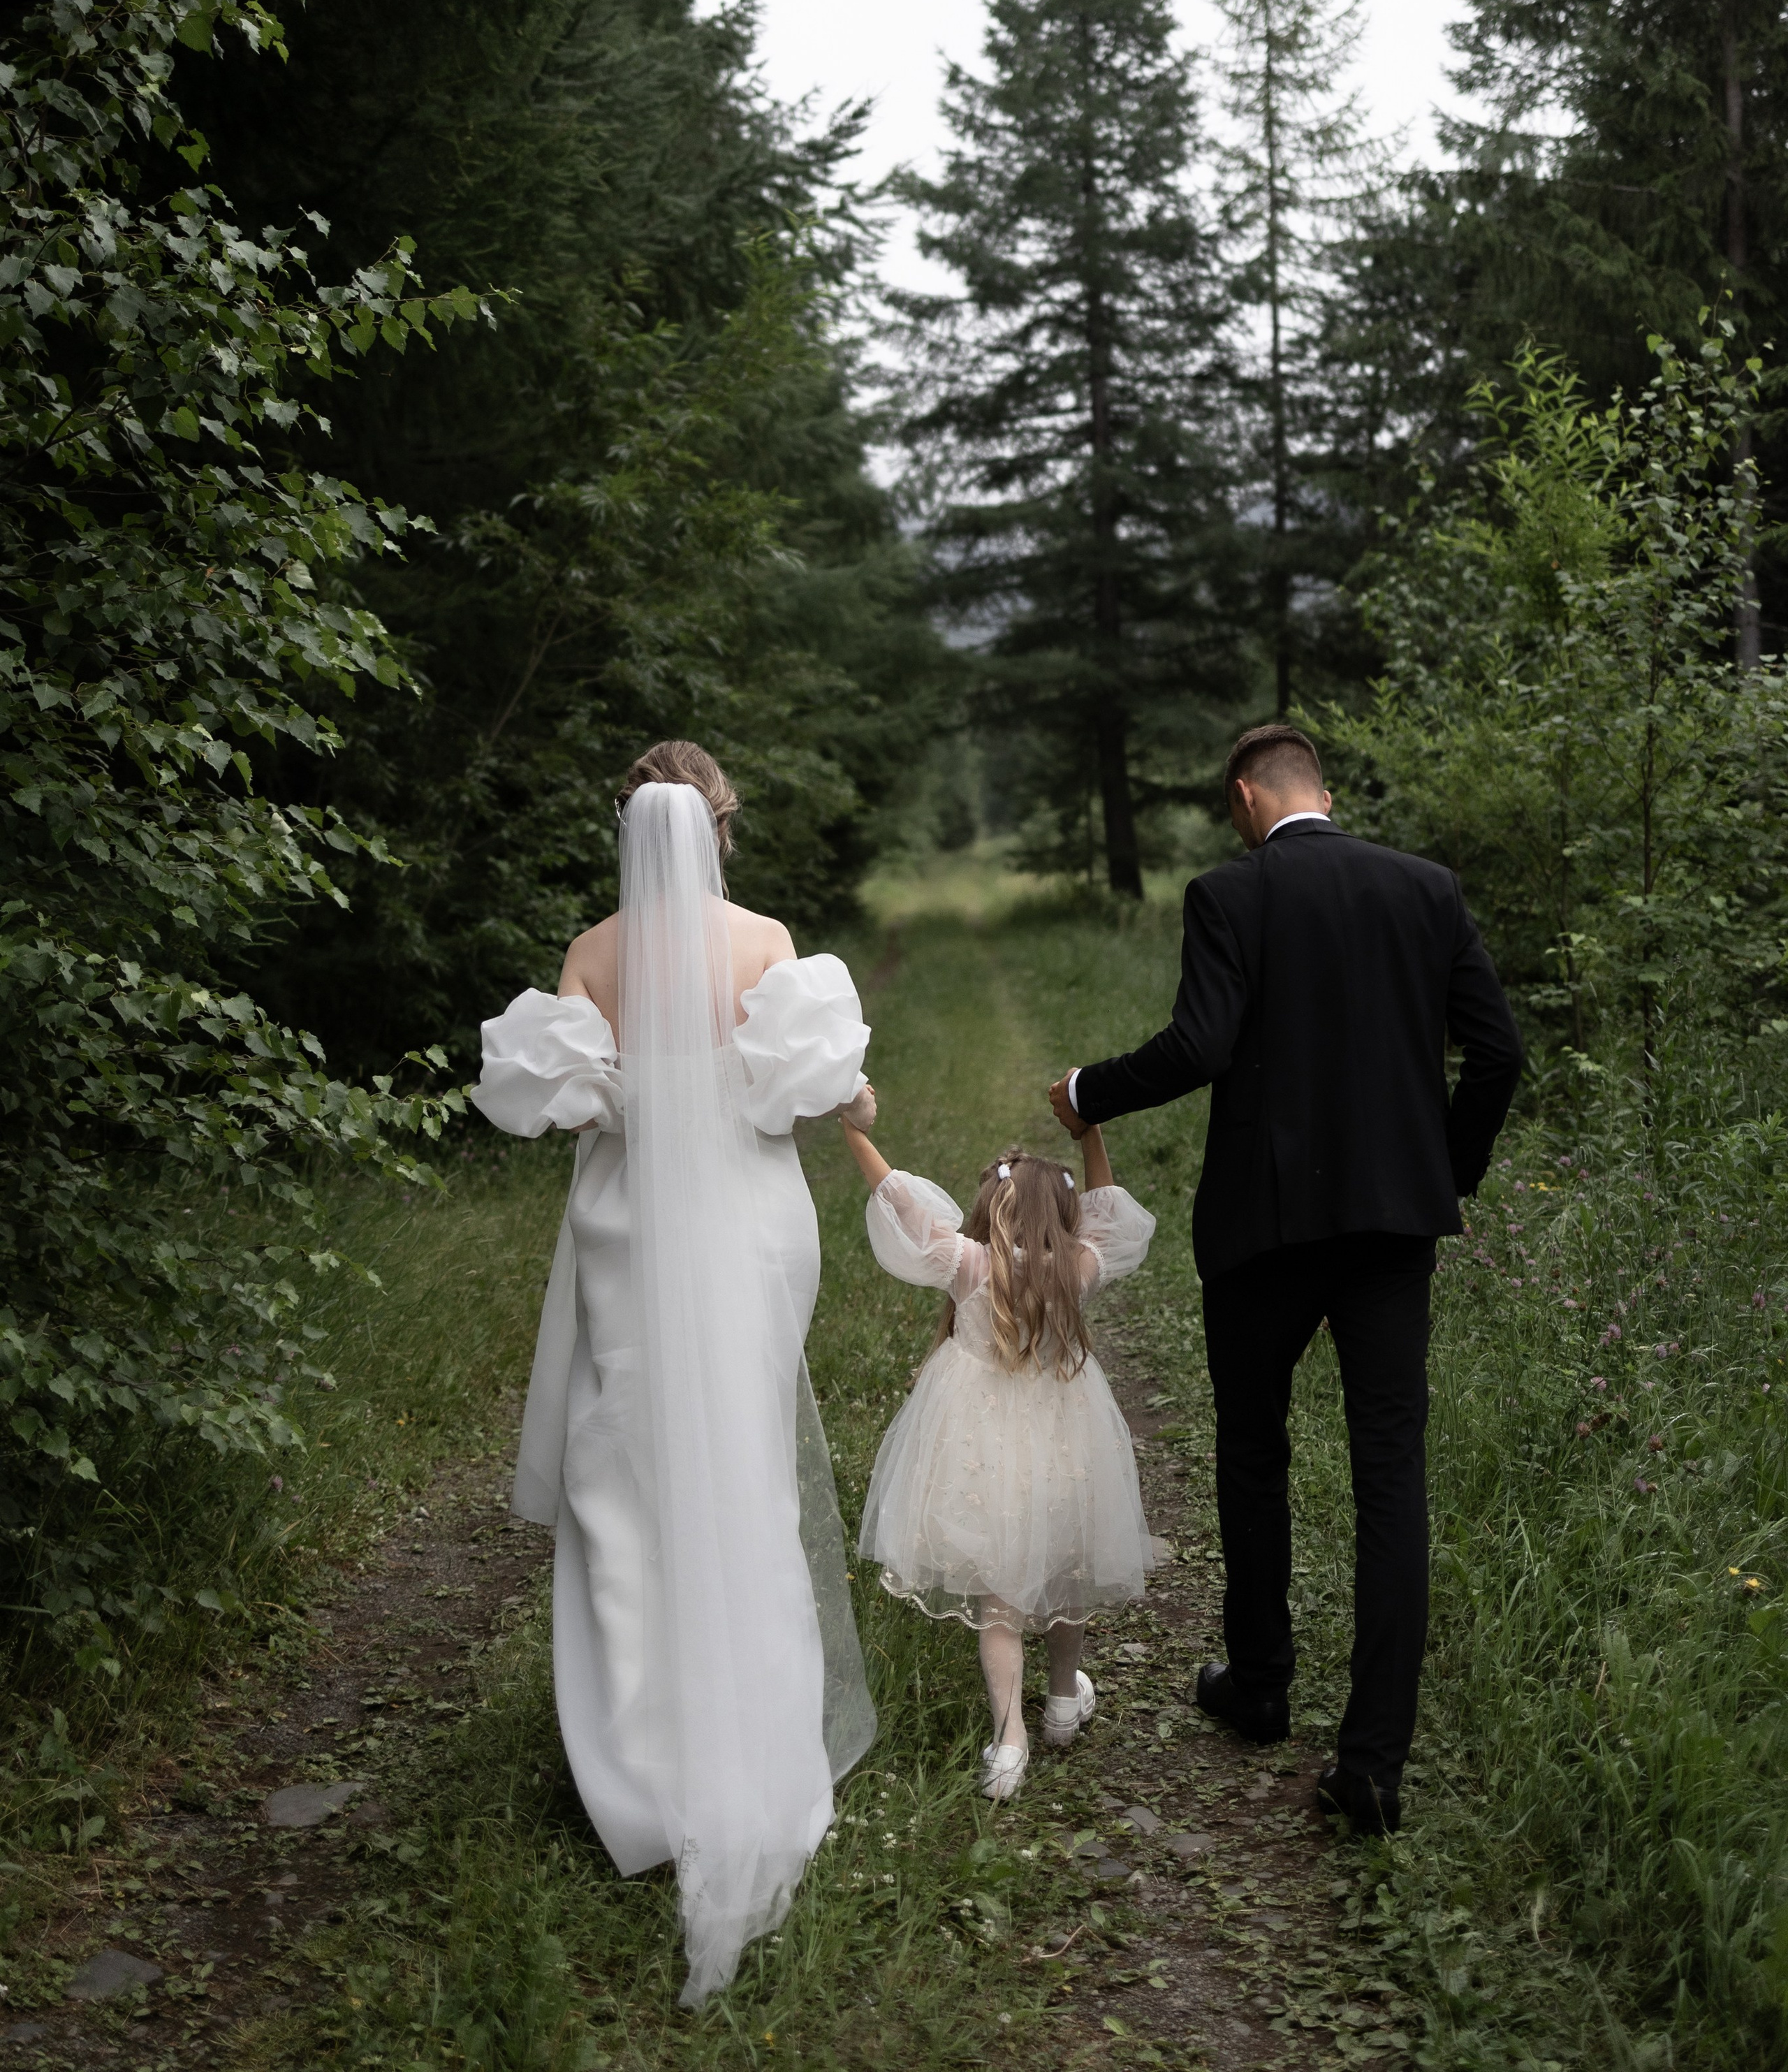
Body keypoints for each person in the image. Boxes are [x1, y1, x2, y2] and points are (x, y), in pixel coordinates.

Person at [1050, 723, 1522, 1837]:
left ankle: (1261, 1687)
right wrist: (1437, 1178)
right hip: (1391, 1231)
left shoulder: (1231, 894)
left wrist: (1088, 1091)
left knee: (1255, 1449)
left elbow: (1203, 1045)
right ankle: (1371, 1763)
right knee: (1388, 1476)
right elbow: (1498, 1054)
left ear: (1247, 798)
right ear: (1324, 789)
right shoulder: (1428, 890)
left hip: (1266, 1229)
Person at [469, 742, 878, 2002]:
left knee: (623, 1484)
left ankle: (640, 1786)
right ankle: (753, 1750)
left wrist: (642, 1095)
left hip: (630, 1239)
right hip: (751, 1239)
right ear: (720, 826)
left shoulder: (592, 955)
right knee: (742, 1468)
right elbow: (796, 1103)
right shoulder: (767, 941)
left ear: (627, 828)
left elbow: (575, 1108)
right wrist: (846, 1089)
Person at [839, 1100, 1157, 1802]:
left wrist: (853, 1132)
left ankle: (1009, 1740)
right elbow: (1112, 1218)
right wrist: (1091, 1132)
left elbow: (897, 1201)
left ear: (998, 1209)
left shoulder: (970, 1266)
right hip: (1066, 1445)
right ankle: (1065, 1699)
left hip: (978, 1450)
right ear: (1062, 1219)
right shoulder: (1075, 1271)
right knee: (1066, 1569)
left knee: (1001, 1606)